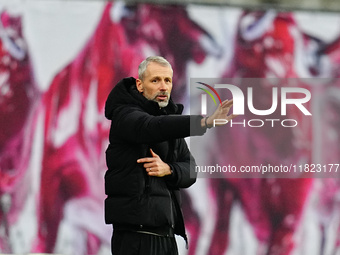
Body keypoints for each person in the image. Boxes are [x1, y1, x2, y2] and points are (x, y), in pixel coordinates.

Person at [104, 56, 236, 255]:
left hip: (166, 237)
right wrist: (204, 122)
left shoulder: (169, 123)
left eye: (167, 80)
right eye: (155, 80)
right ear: (140, 85)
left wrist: (169, 169)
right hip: (135, 237)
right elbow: (150, 127)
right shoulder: (125, 114)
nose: (164, 87)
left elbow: (190, 170)